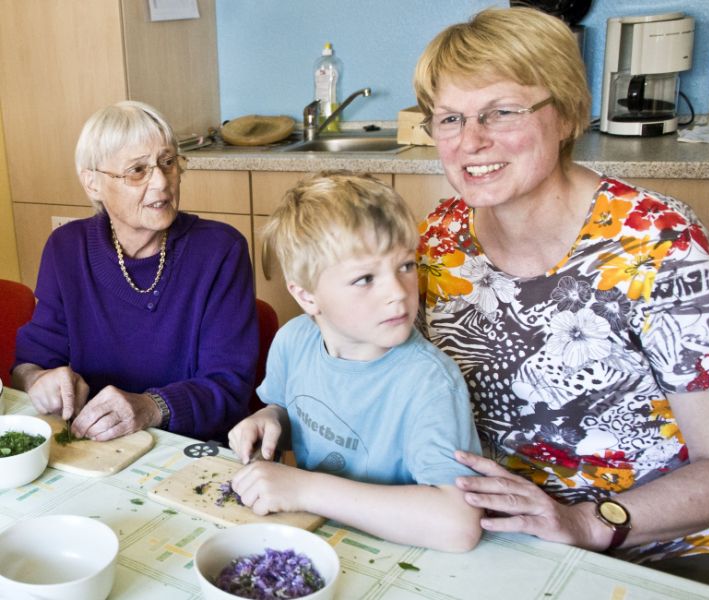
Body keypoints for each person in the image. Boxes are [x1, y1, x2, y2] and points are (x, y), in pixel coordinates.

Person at [412, 6, 709, 588]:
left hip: (661, 551)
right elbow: (395, 369)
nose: (471, 141)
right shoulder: (440, 240)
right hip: (499, 539)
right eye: (449, 118)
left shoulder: (659, 245)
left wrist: (586, 524)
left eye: (501, 111)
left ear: (564, 116)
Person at [228, 172, 483, 552]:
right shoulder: (293, 343)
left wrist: (306, 488)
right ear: (307, 296)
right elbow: (287, 405)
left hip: (402, 552)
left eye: (406, 266)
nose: (397, 292)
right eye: (365, 278)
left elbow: (459, 525)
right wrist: (270, 418)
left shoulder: (429, 382)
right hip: (327, 540)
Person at [12, 100, 258, 443]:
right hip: (92, 443)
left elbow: (229, 388)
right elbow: (30, 361)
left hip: (187, 448)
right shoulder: (66, 248)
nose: (161, 182)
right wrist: (40, 380)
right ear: (93, 183)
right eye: (138, 170)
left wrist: (150, 407)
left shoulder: (220, 250)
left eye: (168, 162)